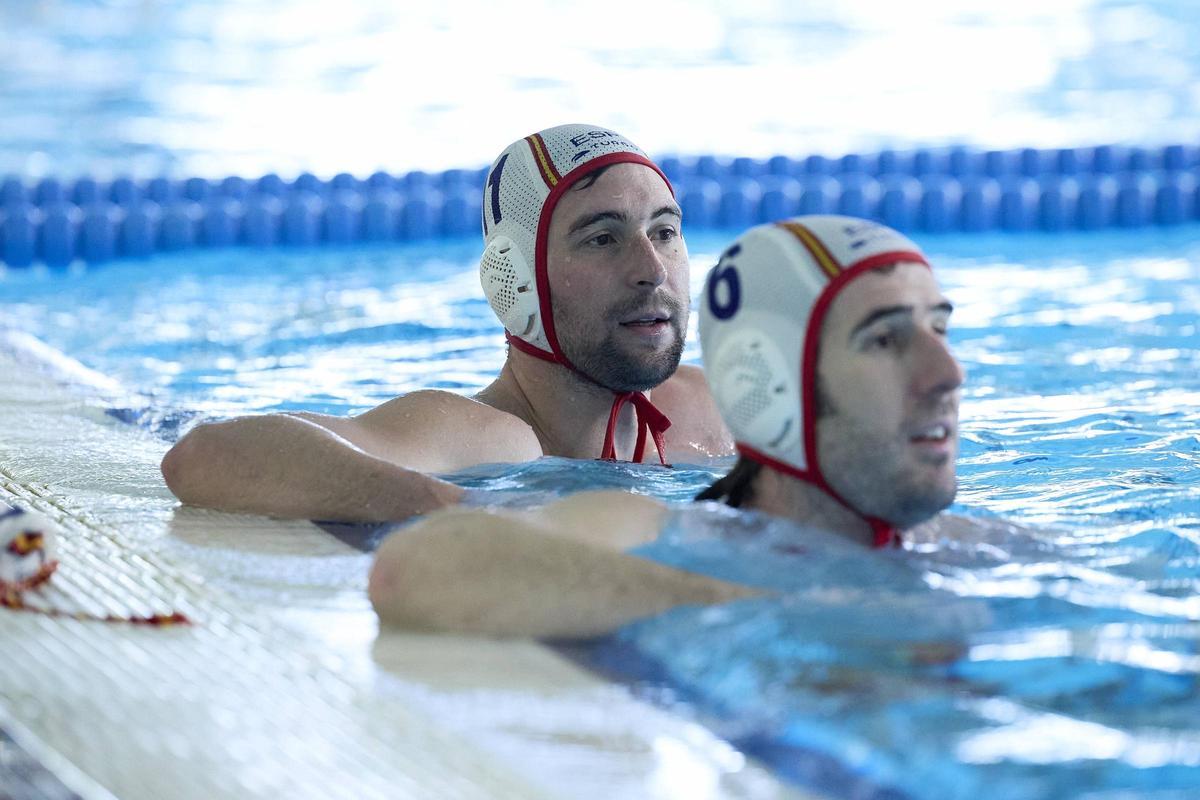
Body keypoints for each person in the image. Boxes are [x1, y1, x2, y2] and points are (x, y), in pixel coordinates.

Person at [369, 214, 972, 638]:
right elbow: (416, 571)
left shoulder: (970, 550)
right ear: (776, 381)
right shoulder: (678, 537)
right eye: (886, 340)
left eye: (939, 330)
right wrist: (756, 604)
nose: (948, 373)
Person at [159, 124, 733, 522]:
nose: (652, 270)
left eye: (665, 231)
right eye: (602, 238)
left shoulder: (705, 413)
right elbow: (205, 457)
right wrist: (457, 509)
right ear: (518, 280)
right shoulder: (489, 439)